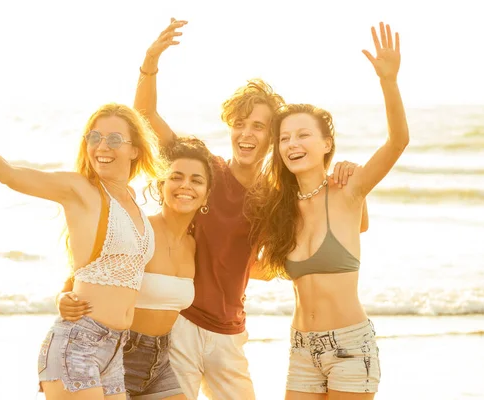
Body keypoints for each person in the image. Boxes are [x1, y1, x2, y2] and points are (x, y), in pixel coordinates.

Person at [132, 19, 368, 400]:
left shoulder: (275, 196)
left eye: (258, 126)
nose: (246, 134)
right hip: (183, 323)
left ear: (272, 138)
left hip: (230, 331)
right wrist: (151, 62)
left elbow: (345, 228)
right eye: (240, 124)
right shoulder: (205, 169)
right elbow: (144, 116)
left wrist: (347, 179)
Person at [0, 73, 161, 399]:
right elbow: (10, 175)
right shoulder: (80, 189)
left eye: (114, 139)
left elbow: (103, 270)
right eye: (94, 137)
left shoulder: (135, 204)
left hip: (115, 349)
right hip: (77, 344)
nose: (102, 146)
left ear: (135, 150)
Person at [245, 22, 409, 399]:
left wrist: (389, 81)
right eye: (284, 138)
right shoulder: (280, 208)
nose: (292, 144)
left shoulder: (349, 191)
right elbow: (261, 269)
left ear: (326, 144)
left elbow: (398, 141)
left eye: (303, 135)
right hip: (302, 349)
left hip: (350, 347)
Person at [59, 137, 215, 400]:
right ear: (161, 185)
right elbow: (84, 275)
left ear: (206, 195)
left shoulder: (194, 245)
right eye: (176, 177)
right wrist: (63, 298)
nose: (185, 186)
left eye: (196, 180)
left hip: (161, 359)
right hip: (118, 353)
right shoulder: (140, 231)